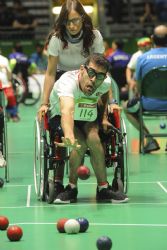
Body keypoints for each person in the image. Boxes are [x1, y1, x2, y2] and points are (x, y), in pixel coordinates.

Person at [44, 53, 128, 204]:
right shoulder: (67, 83)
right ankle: (71, 188)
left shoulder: (104, 82)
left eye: (100, 76)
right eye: (91, 73)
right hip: (60, 115)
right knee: (80, 143)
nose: (94, 80)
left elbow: (102, 96)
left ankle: (103, 188)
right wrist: (69, 134)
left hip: (85, 115)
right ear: (82, 70)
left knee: (94, 139)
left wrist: (102, 118)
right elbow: (67, 110)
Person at [38, 0, 105, 188]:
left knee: (94, 128)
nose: (72, 25)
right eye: (67, 22)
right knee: (64, 122)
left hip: (89, 77)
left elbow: (101, 68)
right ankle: (59, 180)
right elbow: (50, 73)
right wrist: (45, 102)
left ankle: (103, 185)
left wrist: (108, 100)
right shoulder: (57, 39)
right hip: (63, 78)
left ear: (83, 19)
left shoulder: (94, 36)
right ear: (62, 23)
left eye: (75, 20)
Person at [124, 24, 167, 153]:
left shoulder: (142, 58)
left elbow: (138, 86)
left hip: (148, 104)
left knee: (127, 108)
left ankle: (150, 139)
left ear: (152, 38)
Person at [0, 51, 20, 122]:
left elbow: (9, 73)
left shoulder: (4, 59)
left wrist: (10, 80)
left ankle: (13, 114)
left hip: (5, 84)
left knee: (11, 96)